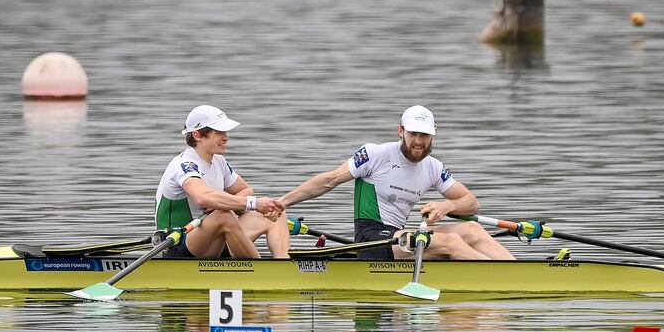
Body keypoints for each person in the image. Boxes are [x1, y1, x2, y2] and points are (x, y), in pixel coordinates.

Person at [278, 105, 515, 260]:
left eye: (424, 135)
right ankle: (507, 280)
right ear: (401, 131)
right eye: (413, 134)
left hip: (400, 239)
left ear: (434, 134)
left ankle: (518, 272)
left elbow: (471, 203)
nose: (419, 141)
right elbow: (328, 180)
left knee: (472, 229)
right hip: (371, 240)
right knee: (451, 240)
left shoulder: (433, 167)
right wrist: (283, 202)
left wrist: (446, 206)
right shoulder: (375, 154)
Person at [155, 105, 289, 259]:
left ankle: (283, 264)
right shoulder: (184, 165)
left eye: (225, 132)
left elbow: (246, 190)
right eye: (219, 132)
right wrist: (251, 204)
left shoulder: (218, 161)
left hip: (212, 238)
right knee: (223, 215)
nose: (226, 137)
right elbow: (203, 197)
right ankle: (263, 274)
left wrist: (224, 202)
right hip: (177, 245)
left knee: (276, 210)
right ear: (197, 135)